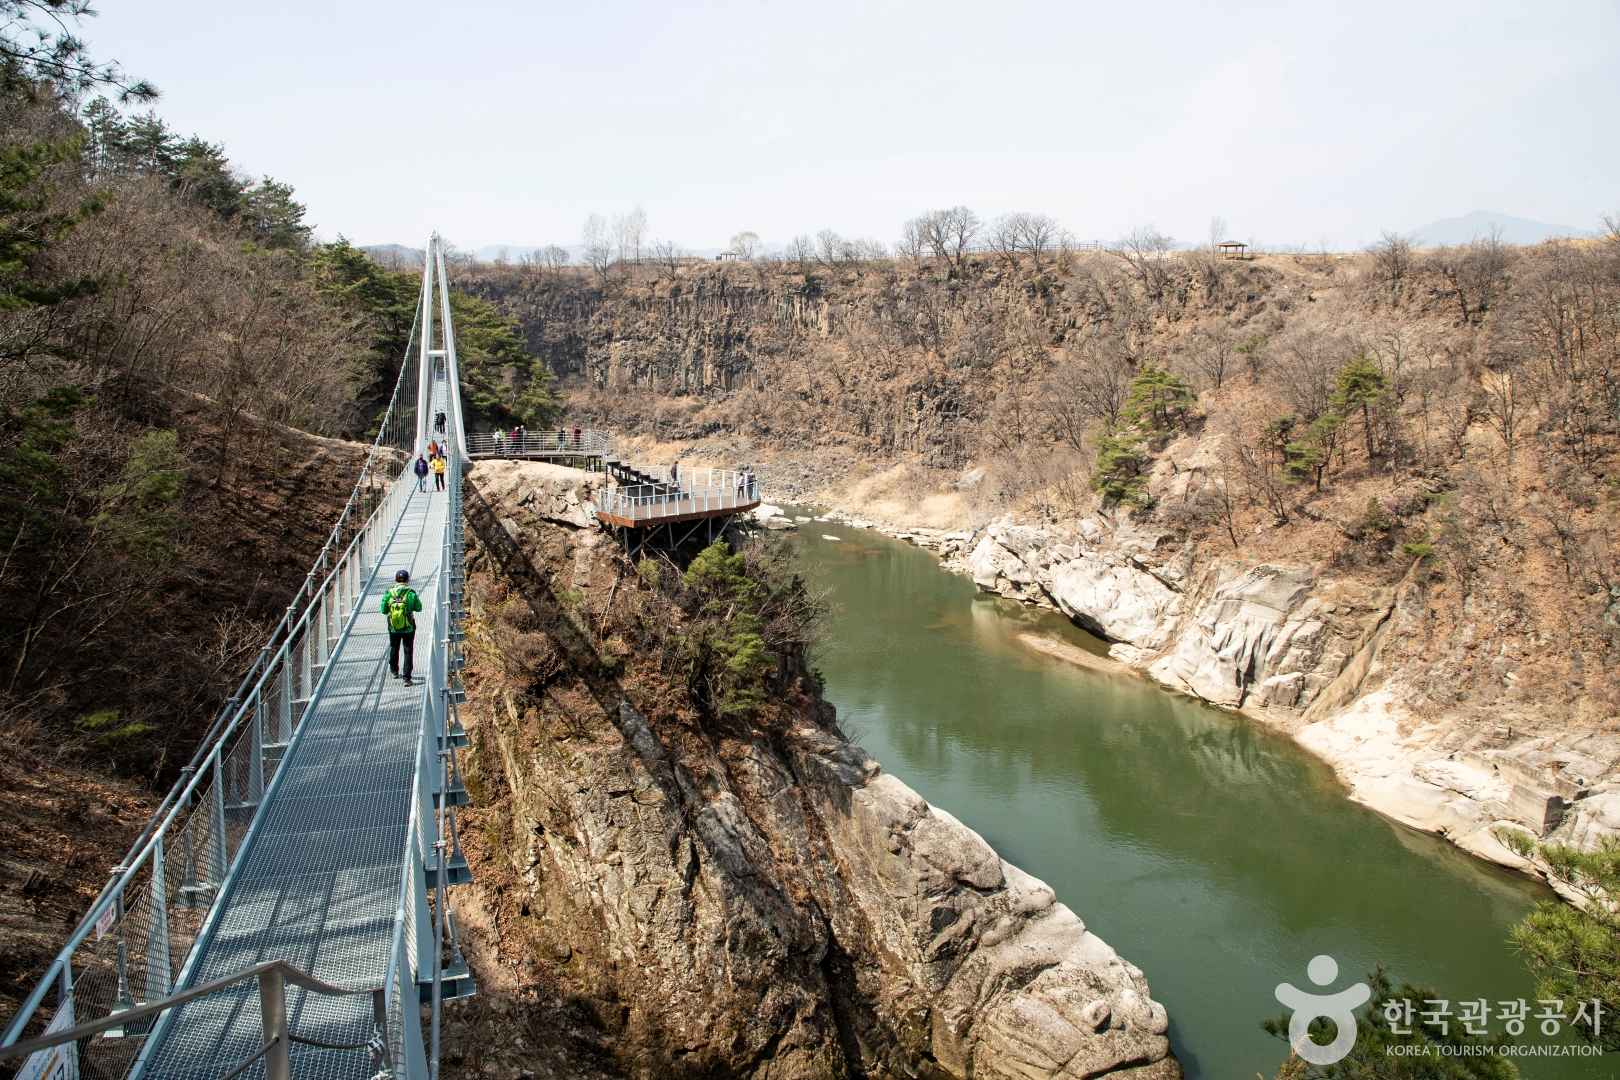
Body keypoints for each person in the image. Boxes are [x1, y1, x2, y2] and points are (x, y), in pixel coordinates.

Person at [382, 570, 424, 686]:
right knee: (408, 650)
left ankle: (394, 670)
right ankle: (407, 678)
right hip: (408, 627)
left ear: (396, 579)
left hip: (393, 627)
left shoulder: (389, 593)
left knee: (394, 647)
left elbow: (383, 610)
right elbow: (419, 607)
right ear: (407, 580)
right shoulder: (410, 593)